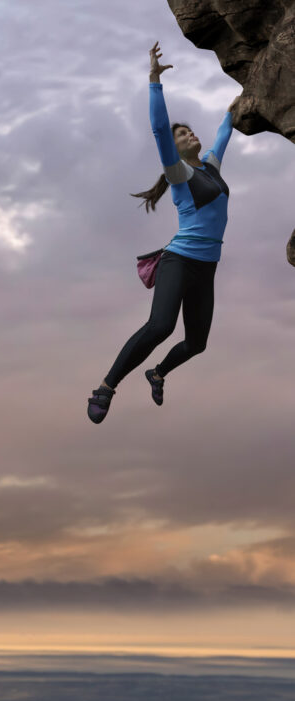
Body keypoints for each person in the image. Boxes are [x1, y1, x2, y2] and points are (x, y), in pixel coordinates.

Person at [88, 42, 235, 424]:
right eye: (183, 133)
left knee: (197, 343)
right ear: (175, 146)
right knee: (161, 326)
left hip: (206, 268)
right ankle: (106, 386)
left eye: (190, 130)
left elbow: (225, 129)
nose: (190, 134)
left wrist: (240, 99)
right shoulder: (179, 174)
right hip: (179, 261)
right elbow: (158, 128)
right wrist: (154, 79)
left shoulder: (210, 168)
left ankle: (157, 373)